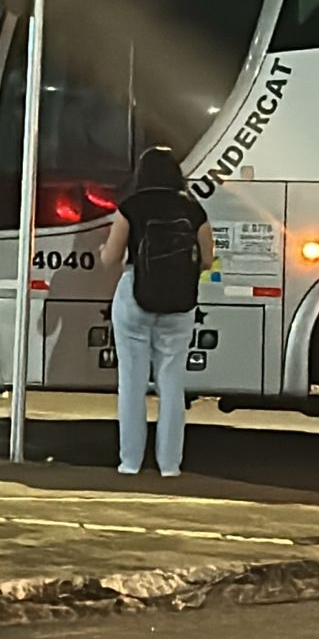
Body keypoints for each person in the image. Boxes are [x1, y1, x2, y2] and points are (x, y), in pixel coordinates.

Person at [99, 147, 215, 478]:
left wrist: (103, 252)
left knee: (132, 383)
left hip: (135, 294)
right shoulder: (193, 210)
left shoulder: (131, 207)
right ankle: (170, 466)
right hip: (179, 300)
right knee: (172, 382)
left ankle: (130, 463)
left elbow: (111, 258)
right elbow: (207, 260)